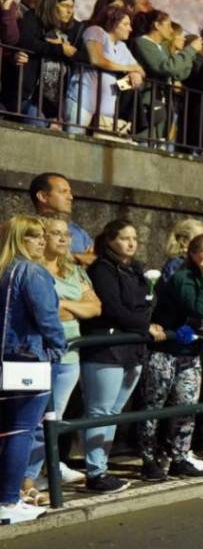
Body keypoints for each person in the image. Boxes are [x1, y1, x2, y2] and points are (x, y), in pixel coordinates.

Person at [140, 233, 203, 480]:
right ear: (192, 254)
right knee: (153, 407)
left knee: (187, 406)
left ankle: (180, 456)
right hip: (165, 351)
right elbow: (200, 310)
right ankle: (148, 459)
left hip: (191, 353)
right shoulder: (182, 278)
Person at [79, 218, 158, 493]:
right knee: (99, 410)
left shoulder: (136, 270)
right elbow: (113, 307)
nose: (132, 243)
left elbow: (146, 304)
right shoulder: (102, 269)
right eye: (125, 238)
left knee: (113, 411)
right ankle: (95, 471)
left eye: (134, 238)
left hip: (132, 348)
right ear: (110, 240)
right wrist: (143, 325)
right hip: (107, 348)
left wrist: (146, 321)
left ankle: (101, 466)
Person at [22, 215, 96, 496]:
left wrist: (64, 304)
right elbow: (48, 313)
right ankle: (23, 480)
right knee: (31, 422)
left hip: (69, 356)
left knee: (51, 422)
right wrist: (71, 306)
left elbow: (95, 307)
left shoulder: (74, 271)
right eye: (55, 233)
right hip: (42, 354)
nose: (64, 239)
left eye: (66, 234)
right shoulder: (33, 271)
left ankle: (32, 476)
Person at [1, 215, 65, 524]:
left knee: (7, 430)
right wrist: (58, 347)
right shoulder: (31, 272)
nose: (42, 241)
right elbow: (48, 317)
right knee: (21, 431)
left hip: (5, 359)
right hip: (28, 358)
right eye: (34, 236)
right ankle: (8, 499)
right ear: (19, 239)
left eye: (42, 235)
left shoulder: (3, 271)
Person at [67, 4, 143, 138]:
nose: (130, 29)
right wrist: (129, 68)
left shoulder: (122, 46)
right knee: (73, 141)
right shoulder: (96, 31)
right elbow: (97, 60)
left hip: (105, 111)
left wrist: (135, 74)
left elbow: (140, 70)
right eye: (125, 24)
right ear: (113, 22)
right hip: (83, 102)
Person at [130, 9, 198, 145]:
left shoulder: (162, 47)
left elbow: (179, 74)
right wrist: (190, 50)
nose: (171, 30)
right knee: (144, 144)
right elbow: (166, 67)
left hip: (163, 104)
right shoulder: (143, 43)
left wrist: (188, 54)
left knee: (159, 145)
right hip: (148, 103)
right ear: (157, 25)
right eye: (168, 25)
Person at [10, 0, 78, 122]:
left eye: (72, 7)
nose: (70, 11)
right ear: (52, 5)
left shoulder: (70, 30)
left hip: (52, 103)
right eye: (65, 6)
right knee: (38, 124)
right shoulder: (33, 18)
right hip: (28, 96)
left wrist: (64, 49)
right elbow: (26, 41)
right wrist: (59, 48)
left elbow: (81, 55)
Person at [28, 172, 93, 264]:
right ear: (42, 196)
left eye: (70, 192)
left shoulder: (78, 231)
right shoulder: (26, 229)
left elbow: (94, 258)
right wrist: (76, 258)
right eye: (63, 192)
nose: (70, 197)